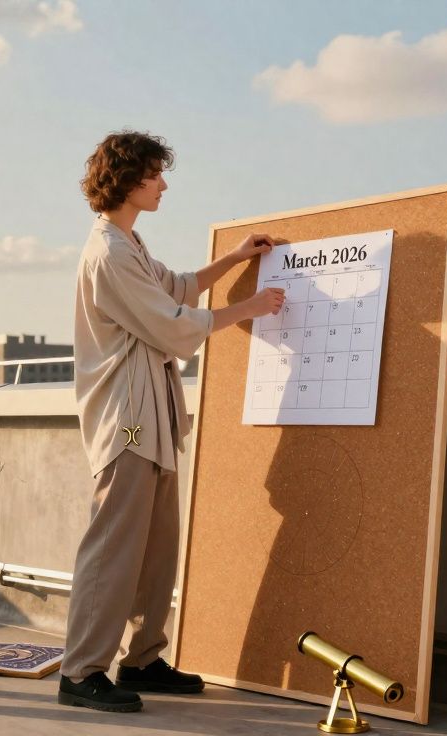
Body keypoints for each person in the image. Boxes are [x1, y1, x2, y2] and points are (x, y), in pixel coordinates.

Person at [58, 131, 285, 712]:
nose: (163, 184)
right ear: (128, 179)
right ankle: (81, 670)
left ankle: (142, 659)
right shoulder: (108, 251)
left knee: (157, 543)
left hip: (150, 416)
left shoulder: (127, 243)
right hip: (128, 421)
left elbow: (176, 288)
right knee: (114, 541)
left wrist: (235, 259)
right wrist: (249, 309)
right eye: (155, 174)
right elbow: (172, 322)